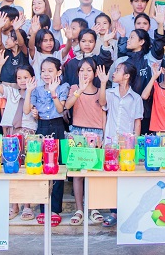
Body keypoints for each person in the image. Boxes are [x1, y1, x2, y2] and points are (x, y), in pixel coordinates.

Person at [24, 57, 69, 227]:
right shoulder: (36, 89)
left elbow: (60, 109)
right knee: (42, 168)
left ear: (58, 72)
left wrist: (53, 91)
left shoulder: (63, 87)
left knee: (57, 169)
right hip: (41, 128)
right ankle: (43, 209)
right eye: (43, 70)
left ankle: (55, 210)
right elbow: (27, 110)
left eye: (51, 70)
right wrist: (28, 91)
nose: (46, 74)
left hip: (57, 127)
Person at [0, 54, 37, 221]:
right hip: (11, 134)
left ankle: (27, 206)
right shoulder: (11, 92)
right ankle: (14, 205)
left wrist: (30, 90)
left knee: (26, 169)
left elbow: (26, 111)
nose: (22, 80)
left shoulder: (35, 94)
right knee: (11, 169)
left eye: (26, 77)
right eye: (19, 78)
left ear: (32, 78)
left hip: (27, 132)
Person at [99, 62, 142, 227]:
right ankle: (114, 213)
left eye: (117, 70)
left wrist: (135, 144)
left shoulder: (136, 98)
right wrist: (103, 83)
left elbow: (137, 122)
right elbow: (102, 103)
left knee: (127, 178)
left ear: (126, 76)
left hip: (127, 145)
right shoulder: (110, 93)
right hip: (110, 142)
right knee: (112, 178)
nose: (114, 73)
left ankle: (129, 212)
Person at [64, 59, 106, 227]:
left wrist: (103, 84)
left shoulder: (99, 91)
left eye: (89, 70)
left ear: (95, 73)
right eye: (82, 70)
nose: (85, 73)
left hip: (95, 134)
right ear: (78, 73)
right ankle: (79, 209)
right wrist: (79, 90)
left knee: (93, 172)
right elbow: (67, 105)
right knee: (78, 173)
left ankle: (93, 207)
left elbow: (103, 105)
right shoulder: (74, 89)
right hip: (77, 134)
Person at [110, 29, 155, 134]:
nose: (128, 40)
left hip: (145, 110)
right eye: (128, 37)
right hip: (123, 109)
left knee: (140, 143)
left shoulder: (148, 60)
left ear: (141, 42)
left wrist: (163, 24)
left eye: (132, 37)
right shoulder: (122, 61)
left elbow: (158, 50)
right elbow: (114, 85)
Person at [0, 7, 29, 83]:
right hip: (5, 87)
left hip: (19, 87)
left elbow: (21, 44)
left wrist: (16, 30)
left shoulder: (24, 53)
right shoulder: (6, 53)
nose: (6, 40)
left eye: (10, 37)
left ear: (16, 41)